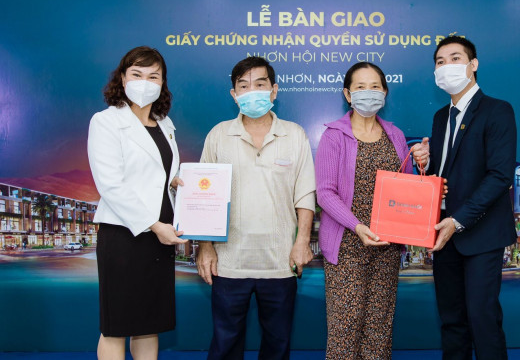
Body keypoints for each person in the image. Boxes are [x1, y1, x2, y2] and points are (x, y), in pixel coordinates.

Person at [196, 56, 316, 360]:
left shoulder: (295, 134)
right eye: (244, 86)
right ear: (234, 94)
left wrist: (302, 242)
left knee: (277, 345)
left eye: (260, 84)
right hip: (229, 262)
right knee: (225, 345)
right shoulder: (219, 135)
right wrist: (205, 248)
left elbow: (305, 194)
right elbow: (204, 197)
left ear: (274, 90)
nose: (252, 92)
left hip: (280, 262)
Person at [411, 36, 517, 359]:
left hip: (480, 233)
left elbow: (499, 176)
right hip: (444, 235)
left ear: (473, 65)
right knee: (452, 322)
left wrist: (457, 220)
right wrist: (425, 165)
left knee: (483, 321)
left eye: (455, 58)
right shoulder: (440, 117)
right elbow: (443, 177)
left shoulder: (497, 111)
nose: (447, 66)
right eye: (440, 62)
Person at [87, 46, 187, 360]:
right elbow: (111, 185)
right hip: (124, 237)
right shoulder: (106, 121)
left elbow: (158, 173)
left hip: (160, 238)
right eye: (137, 74)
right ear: (122, 78)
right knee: (116, 325)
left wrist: (175, 181)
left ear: (162, 82)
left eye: (153, 76)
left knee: (148, 323)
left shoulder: (165, 123)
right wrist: (154, 225)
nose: (145, 82)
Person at [315, 62, 414, 359]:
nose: (368, 93)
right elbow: (325, 193)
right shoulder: (334, 136)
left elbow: (408, 187)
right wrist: (357, 226)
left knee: (378, 330)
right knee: (345, 330)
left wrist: (419, 162)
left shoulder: (395, 135)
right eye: (360, 87)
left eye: (375, 86)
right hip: (347, 246)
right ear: (348, 94)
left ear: (384, 92)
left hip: (386, 246)